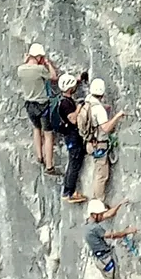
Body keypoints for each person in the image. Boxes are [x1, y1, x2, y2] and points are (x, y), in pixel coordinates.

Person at [84, 199, 138, 279]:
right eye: (100, 214)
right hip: (106, 259)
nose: (102, 216)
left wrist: (120, 203)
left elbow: (108, 214)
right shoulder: (94, 228)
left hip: (99, 259)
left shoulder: (88, 223)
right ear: (94, 214)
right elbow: (112, 235)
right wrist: (127, 231)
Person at [77, 79, 129, 201]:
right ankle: (98, 201)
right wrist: (117, 117)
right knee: (101, 175)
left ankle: (96, 198)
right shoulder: (99, 109)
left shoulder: (88, 103)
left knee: (98, 172)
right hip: (99, 144)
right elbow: (105, 128)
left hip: (90, 142)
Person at [17, 44, 61, 174]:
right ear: (38, 57)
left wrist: (26, 61)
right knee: (48, 134)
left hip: (29, 104)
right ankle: (49, 166)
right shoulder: (40, 69)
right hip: (42, 104)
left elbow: (25, 66)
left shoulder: (20, 69)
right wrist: (48, 64)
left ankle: (39, 156)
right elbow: (54, 77)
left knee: (36, 128)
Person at [51, 72, 87, 202]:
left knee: (72, 163)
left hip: (68, 135)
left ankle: (67, 190)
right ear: (70, 89)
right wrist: (78, 108)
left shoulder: (62, 99)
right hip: (72, 136)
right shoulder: (66, 104)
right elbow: (72, 119)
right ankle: (69, 192)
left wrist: (78, 79)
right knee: (74, 163)